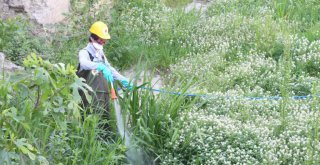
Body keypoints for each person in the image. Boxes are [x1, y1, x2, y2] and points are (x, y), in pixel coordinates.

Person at [76, 21, 131, 128]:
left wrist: (123, 79)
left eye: (104, 41)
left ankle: (106, 137)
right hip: (87, 94)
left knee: (104, 114)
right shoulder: (84, 52)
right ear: (92, 37)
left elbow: (109, 68)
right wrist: (99, 66)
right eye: (100, 40)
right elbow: (83, 63)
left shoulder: (100, 53)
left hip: (102, 93)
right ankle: (90, 138)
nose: (102, 43)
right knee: (90, 117)